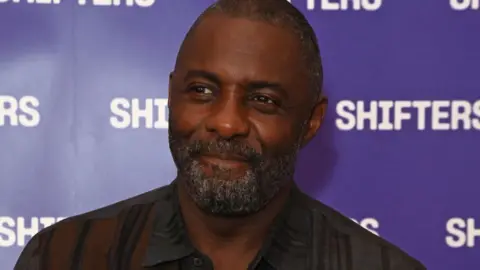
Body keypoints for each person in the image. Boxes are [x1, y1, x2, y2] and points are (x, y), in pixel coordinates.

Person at [15, 0, 426, 269]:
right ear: (172, 97)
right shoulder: (64, 256)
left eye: (263, 100)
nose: (227, 123)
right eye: (202, 91)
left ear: (311, 122)